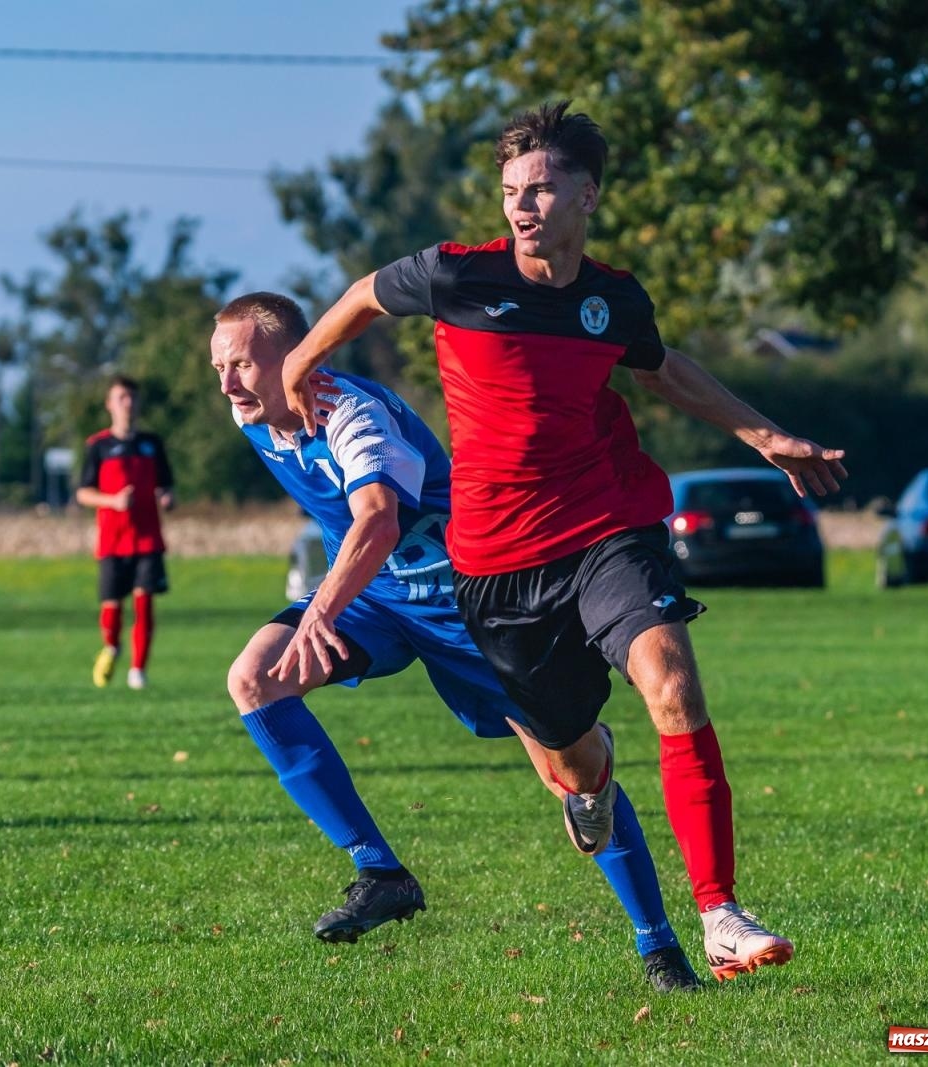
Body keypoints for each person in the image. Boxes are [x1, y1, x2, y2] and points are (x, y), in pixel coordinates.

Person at [281, 102, 848, 983]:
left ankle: (719, 910)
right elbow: (361, 294)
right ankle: (591, 778)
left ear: (588, 193)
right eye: (511, 190)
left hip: (604, 527)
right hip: (496, 566)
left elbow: (665, 371)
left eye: (540, 188)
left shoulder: (613, 298)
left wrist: (763, 433)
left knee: (670, 681)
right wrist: (296, 364)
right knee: (576, 760)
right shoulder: (456, 276)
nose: (522, 205)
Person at [213, 291, 701, 993]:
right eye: (218, 366)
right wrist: (330, 607)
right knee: (253, 677)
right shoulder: (250, 415)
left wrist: (321, 607)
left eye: (241, 364)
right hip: (377, 603)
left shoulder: (353, 415)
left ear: (295, 356)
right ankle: (380, 871)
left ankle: (660, 946)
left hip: (475, 609)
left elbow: (377, 520)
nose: (227, 383)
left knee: (574, 780)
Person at [75, 375, 175, 691]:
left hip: (147, 537)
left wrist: (167, 497)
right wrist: (113, 501)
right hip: (112, 540)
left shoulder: (152, 444)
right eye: (121, 397)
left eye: (132, 397)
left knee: (144, 602)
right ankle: (112, 647)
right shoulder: (98, 446)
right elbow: (83, 493)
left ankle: (138, 671)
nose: (127, 403)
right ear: (109, 404)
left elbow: (166, 484)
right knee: (112, 606)